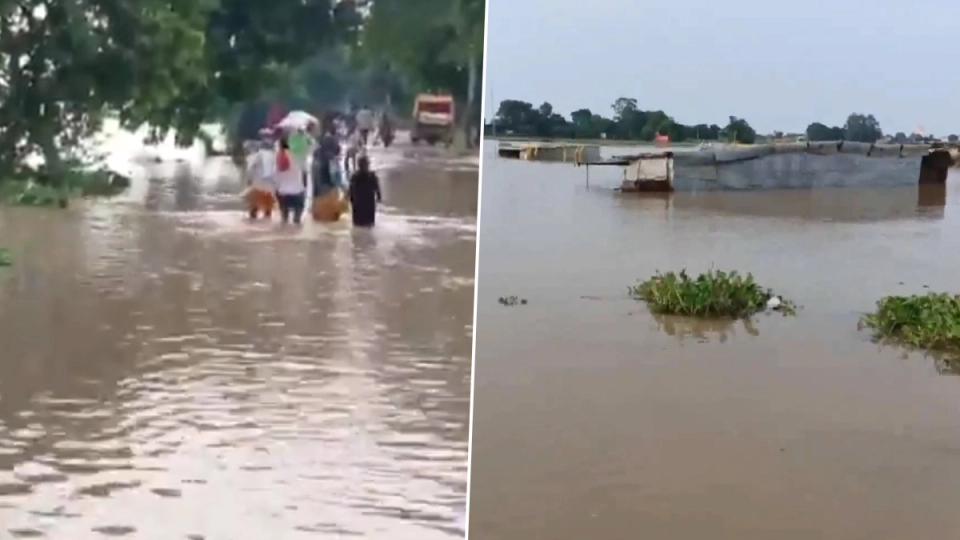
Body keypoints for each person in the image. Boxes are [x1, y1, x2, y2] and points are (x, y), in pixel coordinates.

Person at [274, 137, 306, 225]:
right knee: (297, 222)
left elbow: (275, 175)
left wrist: (277, 189)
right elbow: (304, 172)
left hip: (283, 192)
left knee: (284, 220)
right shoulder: (298, 155)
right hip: (298, 191)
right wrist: (304, 187)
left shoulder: (279, 156)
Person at [244, 139, 276, 219]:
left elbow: (250, 168)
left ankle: (253, 216)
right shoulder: (274, 155)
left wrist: (249, 179)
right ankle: (267, 216)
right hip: (269, 183)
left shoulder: (256, 155)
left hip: (258, 182)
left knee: (254, 204)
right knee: (268, 205)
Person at [348, 155, 381, 228]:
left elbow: (377, 188)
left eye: (366, 165)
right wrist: (351, 199)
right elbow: (351, 189)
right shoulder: (355, 176)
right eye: (364, 165)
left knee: (369, 224)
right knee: (358, 224)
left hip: (369, 203)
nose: (365, 167)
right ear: (359, 166)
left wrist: (379, 197)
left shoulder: (372, 175)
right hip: (359, 204)